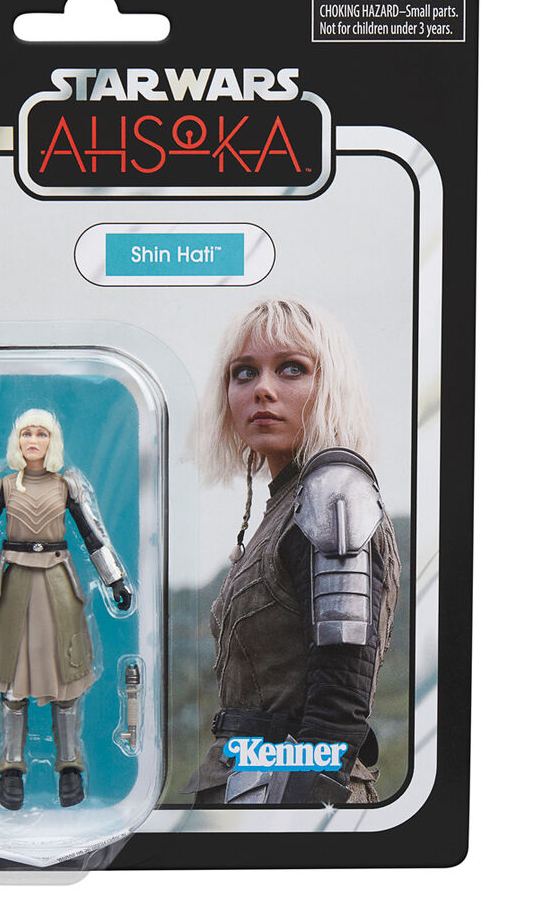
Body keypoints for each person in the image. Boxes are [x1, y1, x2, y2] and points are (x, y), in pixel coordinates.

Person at [182, 298, 401, 805]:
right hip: (248, 785)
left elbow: (338, 707)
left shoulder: (333, 495)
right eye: (244, 372)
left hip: (289, 799)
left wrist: (292, 821)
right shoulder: (287, 504)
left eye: (291, 369)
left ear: (330, 386)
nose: (262, 388)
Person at [0, 408, 132, 810]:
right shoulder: (3, 487)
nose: (34, 441)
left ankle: (70, 765)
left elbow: (92, 536)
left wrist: (115, 579)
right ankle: (11, 766)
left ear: (53, 441)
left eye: (42, 434)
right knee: (12, 678)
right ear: (17, 440)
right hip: (14, 585)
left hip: (58, 584)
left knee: (67, 674)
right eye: (27, 433)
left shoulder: (67, 486)